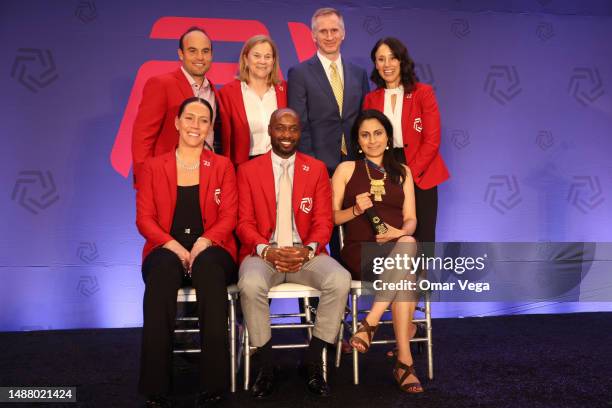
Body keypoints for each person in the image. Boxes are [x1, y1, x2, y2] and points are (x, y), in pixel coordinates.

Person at [236, 108, 351, 399]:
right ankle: (266, 364)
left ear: (300, 132)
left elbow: (324, 220)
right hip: (263, 253)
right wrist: (265, 249)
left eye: (293, 129)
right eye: (280, 128)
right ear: (270, 131)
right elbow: (243, 222)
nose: (287, 135)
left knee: (340, 279)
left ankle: (312, 360)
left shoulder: (316, 169)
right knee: (250, 283)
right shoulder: (248, 170)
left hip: (305, 254)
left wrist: (309, 249)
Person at [136, 97, 238, 407]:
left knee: (208, 271)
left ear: (209, 128)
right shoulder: (154, 166)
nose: (196, 125)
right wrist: (173, 245)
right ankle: (155, 384)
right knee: (163, 274)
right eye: (190, 118)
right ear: (177, 123)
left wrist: (205, 241)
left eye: (203, 120)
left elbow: (229, 216)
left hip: (213, 246)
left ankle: (213, 383)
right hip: (166, 246)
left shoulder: (221, 165)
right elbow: (144, 219)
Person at [331, 109, 423, 394]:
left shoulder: (403, 172)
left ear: (388, 137)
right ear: (358, 141)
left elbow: (411, 219)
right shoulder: (346, 169)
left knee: (407, 245)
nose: (372, 141)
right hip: (361, 251)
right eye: (365, 135)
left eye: (378, 133)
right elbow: (333, 218)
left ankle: (370, 323)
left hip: (397, 247)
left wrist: (400, 232)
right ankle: (403, 362)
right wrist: (356, 209)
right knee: (405, 277)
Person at [363, 36, 449, 245]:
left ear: (402, 61)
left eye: (392, 58)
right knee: (395, 232)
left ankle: (424, 278)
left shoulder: (423, 93)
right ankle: (398, 276)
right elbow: (369, 140)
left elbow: (432, 140)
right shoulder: (371, 99)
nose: (387, 65)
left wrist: (409, 173)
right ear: (375, 64)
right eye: (381, 59)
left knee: (424, 235)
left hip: (422, 168)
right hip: (386, 168)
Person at [132, 27, 219, 189]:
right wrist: (146, 182)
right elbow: (143, 137)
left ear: (211, 55)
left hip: (207, 180)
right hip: (168, 180)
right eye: (192, 51)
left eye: (205, 51)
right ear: (181, 54)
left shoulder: (214, 91)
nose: (200, 57)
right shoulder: (161, 84)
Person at [288, 7, 369, 176]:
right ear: (313, 35)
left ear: (343, 33)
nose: (330, 37)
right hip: (318, 166)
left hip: (356, 163)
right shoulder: (299, 73)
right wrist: (313, 166)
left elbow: (365, 118)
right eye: (323, 31)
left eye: (334, 30)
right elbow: (299, 125)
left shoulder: (358, 73)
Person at [218, 35, 287, 165]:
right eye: (256, 56)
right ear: (246, 59)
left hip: (281, 164)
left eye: (267, 57)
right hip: (244, 166)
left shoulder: (285, 90)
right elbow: (223, 140)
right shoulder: (228, 93)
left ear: (273, 61)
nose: (262, 61)